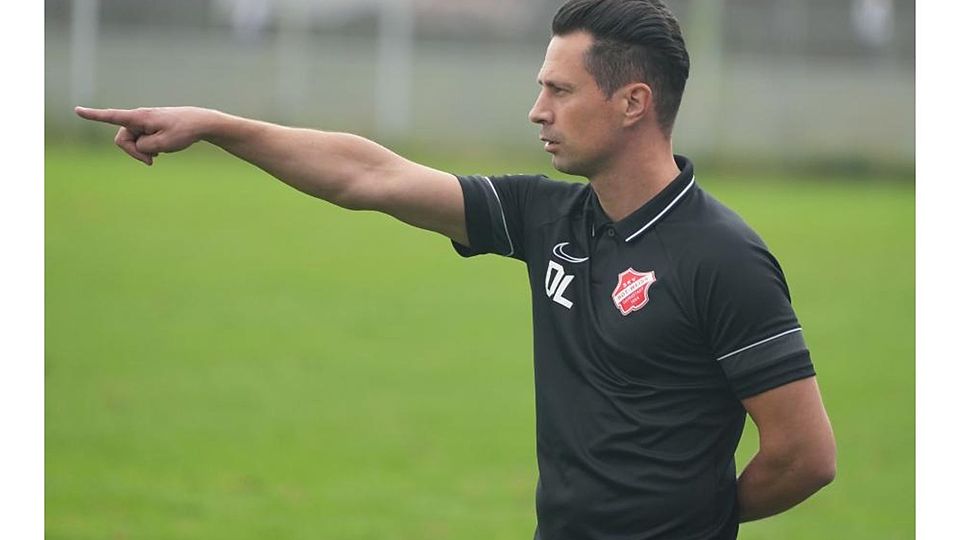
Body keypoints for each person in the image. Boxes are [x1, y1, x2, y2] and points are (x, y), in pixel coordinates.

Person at [75, 0, 836, 538]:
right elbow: (369, 177)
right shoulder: (551, 217)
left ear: (634, 101)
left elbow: (804, 456)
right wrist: (219, 126)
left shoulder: (722, 256)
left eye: (559, 90)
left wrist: (684, 523)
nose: (537, 109)